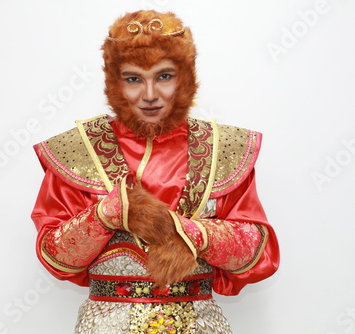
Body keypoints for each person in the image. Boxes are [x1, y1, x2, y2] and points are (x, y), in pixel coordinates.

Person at [31, 10, 279, 334]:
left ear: (185, 76)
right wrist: (106, 215)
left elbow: (258, 252)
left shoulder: (222, 150)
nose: (149, 95)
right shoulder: (81, 151)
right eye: (134, 79)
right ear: (114, 82)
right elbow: (55, 255)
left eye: (164, 76)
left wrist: (192, 235)